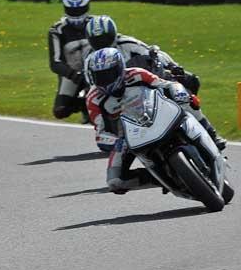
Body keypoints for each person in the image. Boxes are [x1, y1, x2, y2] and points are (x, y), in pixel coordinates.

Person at [86, 48, 220, 194]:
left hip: (157, 113)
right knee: (115, 182)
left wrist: (179, 92)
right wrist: (114, 141)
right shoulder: (93, 99)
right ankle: (161, 179)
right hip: (128, 138)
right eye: (99, 77)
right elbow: (100, 133)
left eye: (109, 74)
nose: (105, 81)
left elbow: (165, 84)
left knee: (188, 102)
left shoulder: (136, 74)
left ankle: (212, 135)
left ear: (120, 68)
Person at [84, 16, 225, 150]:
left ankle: (211, 133)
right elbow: (92, 83)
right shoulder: (90, 59)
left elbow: (153, 52)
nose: (101, 43)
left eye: (104, 38)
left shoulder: (127, 43)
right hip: (117, 100)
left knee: (187, 92)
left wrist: (171, 66)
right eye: (97, 40)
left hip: (145, 80)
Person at [48, 0, 93, 122]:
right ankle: (83, 105)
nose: (76, 13)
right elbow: (55, 62)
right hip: (72, 74)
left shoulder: (96, 24)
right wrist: (74, 75)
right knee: (60, 111)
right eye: (72, 10)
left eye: (79, 10)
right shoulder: (57, 30)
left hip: (95, 69)